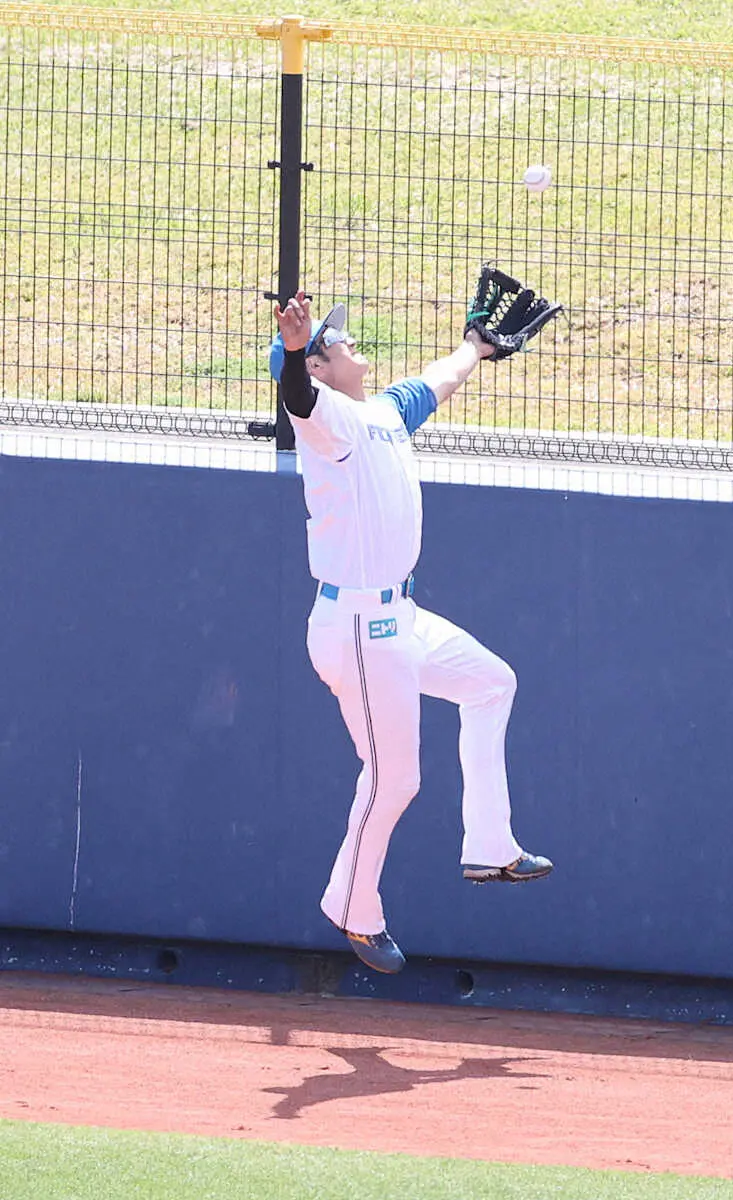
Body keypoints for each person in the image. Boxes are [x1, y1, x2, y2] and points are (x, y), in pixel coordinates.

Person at [270, 290, 553, 974]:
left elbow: (438, 382)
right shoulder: (326, 417)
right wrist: (296, 347)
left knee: (491, 684)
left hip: (397, 618)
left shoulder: (383, 412)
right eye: (335, 342)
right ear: (319, 365)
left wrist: (476, 348)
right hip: (359, 626)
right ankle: (353, 907)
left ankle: (490, 845)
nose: (348, 341)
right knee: (393, 778)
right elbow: (296, 397)